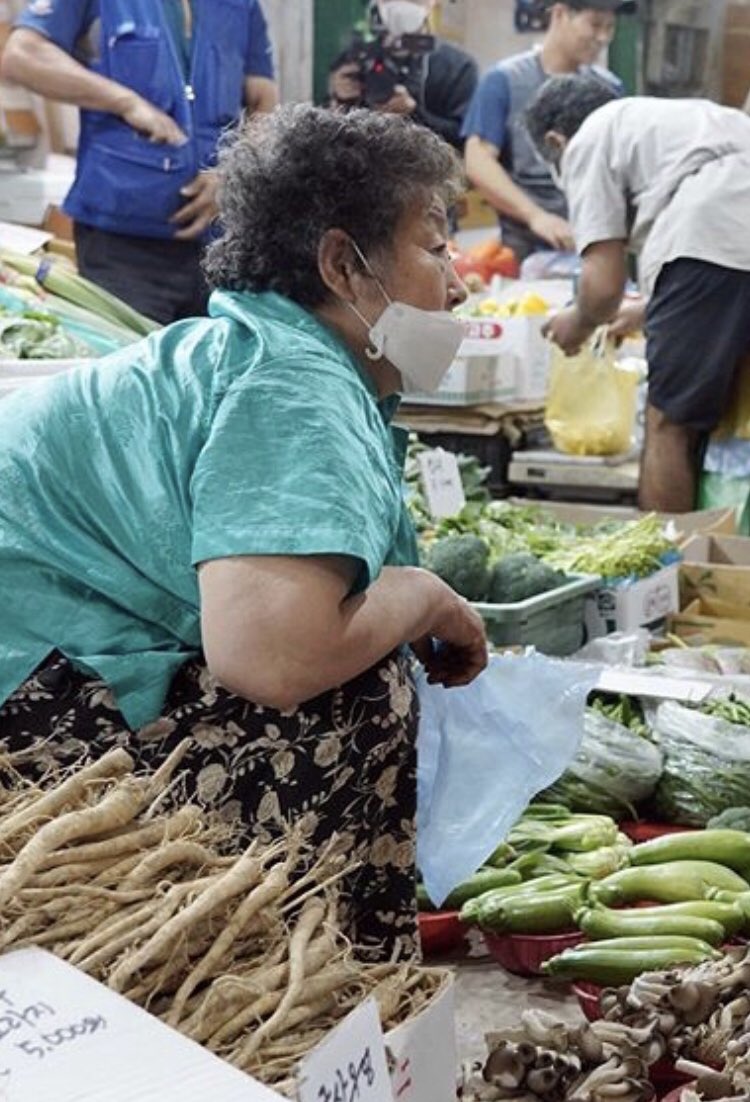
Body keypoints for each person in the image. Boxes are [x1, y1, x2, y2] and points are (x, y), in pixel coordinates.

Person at [0, 104, 488, 961]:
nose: (457, 281)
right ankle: (319, 968)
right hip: (25, 682)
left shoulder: (267, 352)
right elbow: (271, 659)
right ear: (344, 263)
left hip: (43, 641)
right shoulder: (293, 384)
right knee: (351, 694)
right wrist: (421, 595)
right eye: (435, 245)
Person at [527, 75, 750, 513]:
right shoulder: (686, 121)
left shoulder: (589, 139)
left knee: (669, 423)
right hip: (722, 247)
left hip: (710, 231)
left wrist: (579, 321)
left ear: (556, 141)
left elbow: (604, 285)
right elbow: (726, 286)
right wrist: (648, 311)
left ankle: (665, 569)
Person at [0, 1, 279, 325]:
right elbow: (23, 56)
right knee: (131, 366)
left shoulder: (241, 5)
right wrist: (125, 102)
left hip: (220, 246)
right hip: (122, 246)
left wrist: (232, 173)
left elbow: (263, 100)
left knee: (215, 367)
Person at [462, 0, 625, 262]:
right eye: (594, 25)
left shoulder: (610, 88)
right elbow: (477, 160)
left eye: (610, 27)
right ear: (560, 14)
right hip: (524, 248)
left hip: (593, 244)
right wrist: (535, 216)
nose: (603, 37)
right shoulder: (505, 79)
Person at [328, 0, 478, 150]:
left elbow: (464, 141)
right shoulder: (356, 57)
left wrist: (414, 114)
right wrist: (340, 101)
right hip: (364, 163)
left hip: (426, 169)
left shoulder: (457, 66)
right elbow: (333, 138)